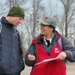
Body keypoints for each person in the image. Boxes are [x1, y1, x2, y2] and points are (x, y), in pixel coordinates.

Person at [0, 5, 25, 75]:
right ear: (13, 15)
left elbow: (20, 52)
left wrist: (20, 66)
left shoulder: (16, 32)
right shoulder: (0, 27)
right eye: (20, 18)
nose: (21, 22)